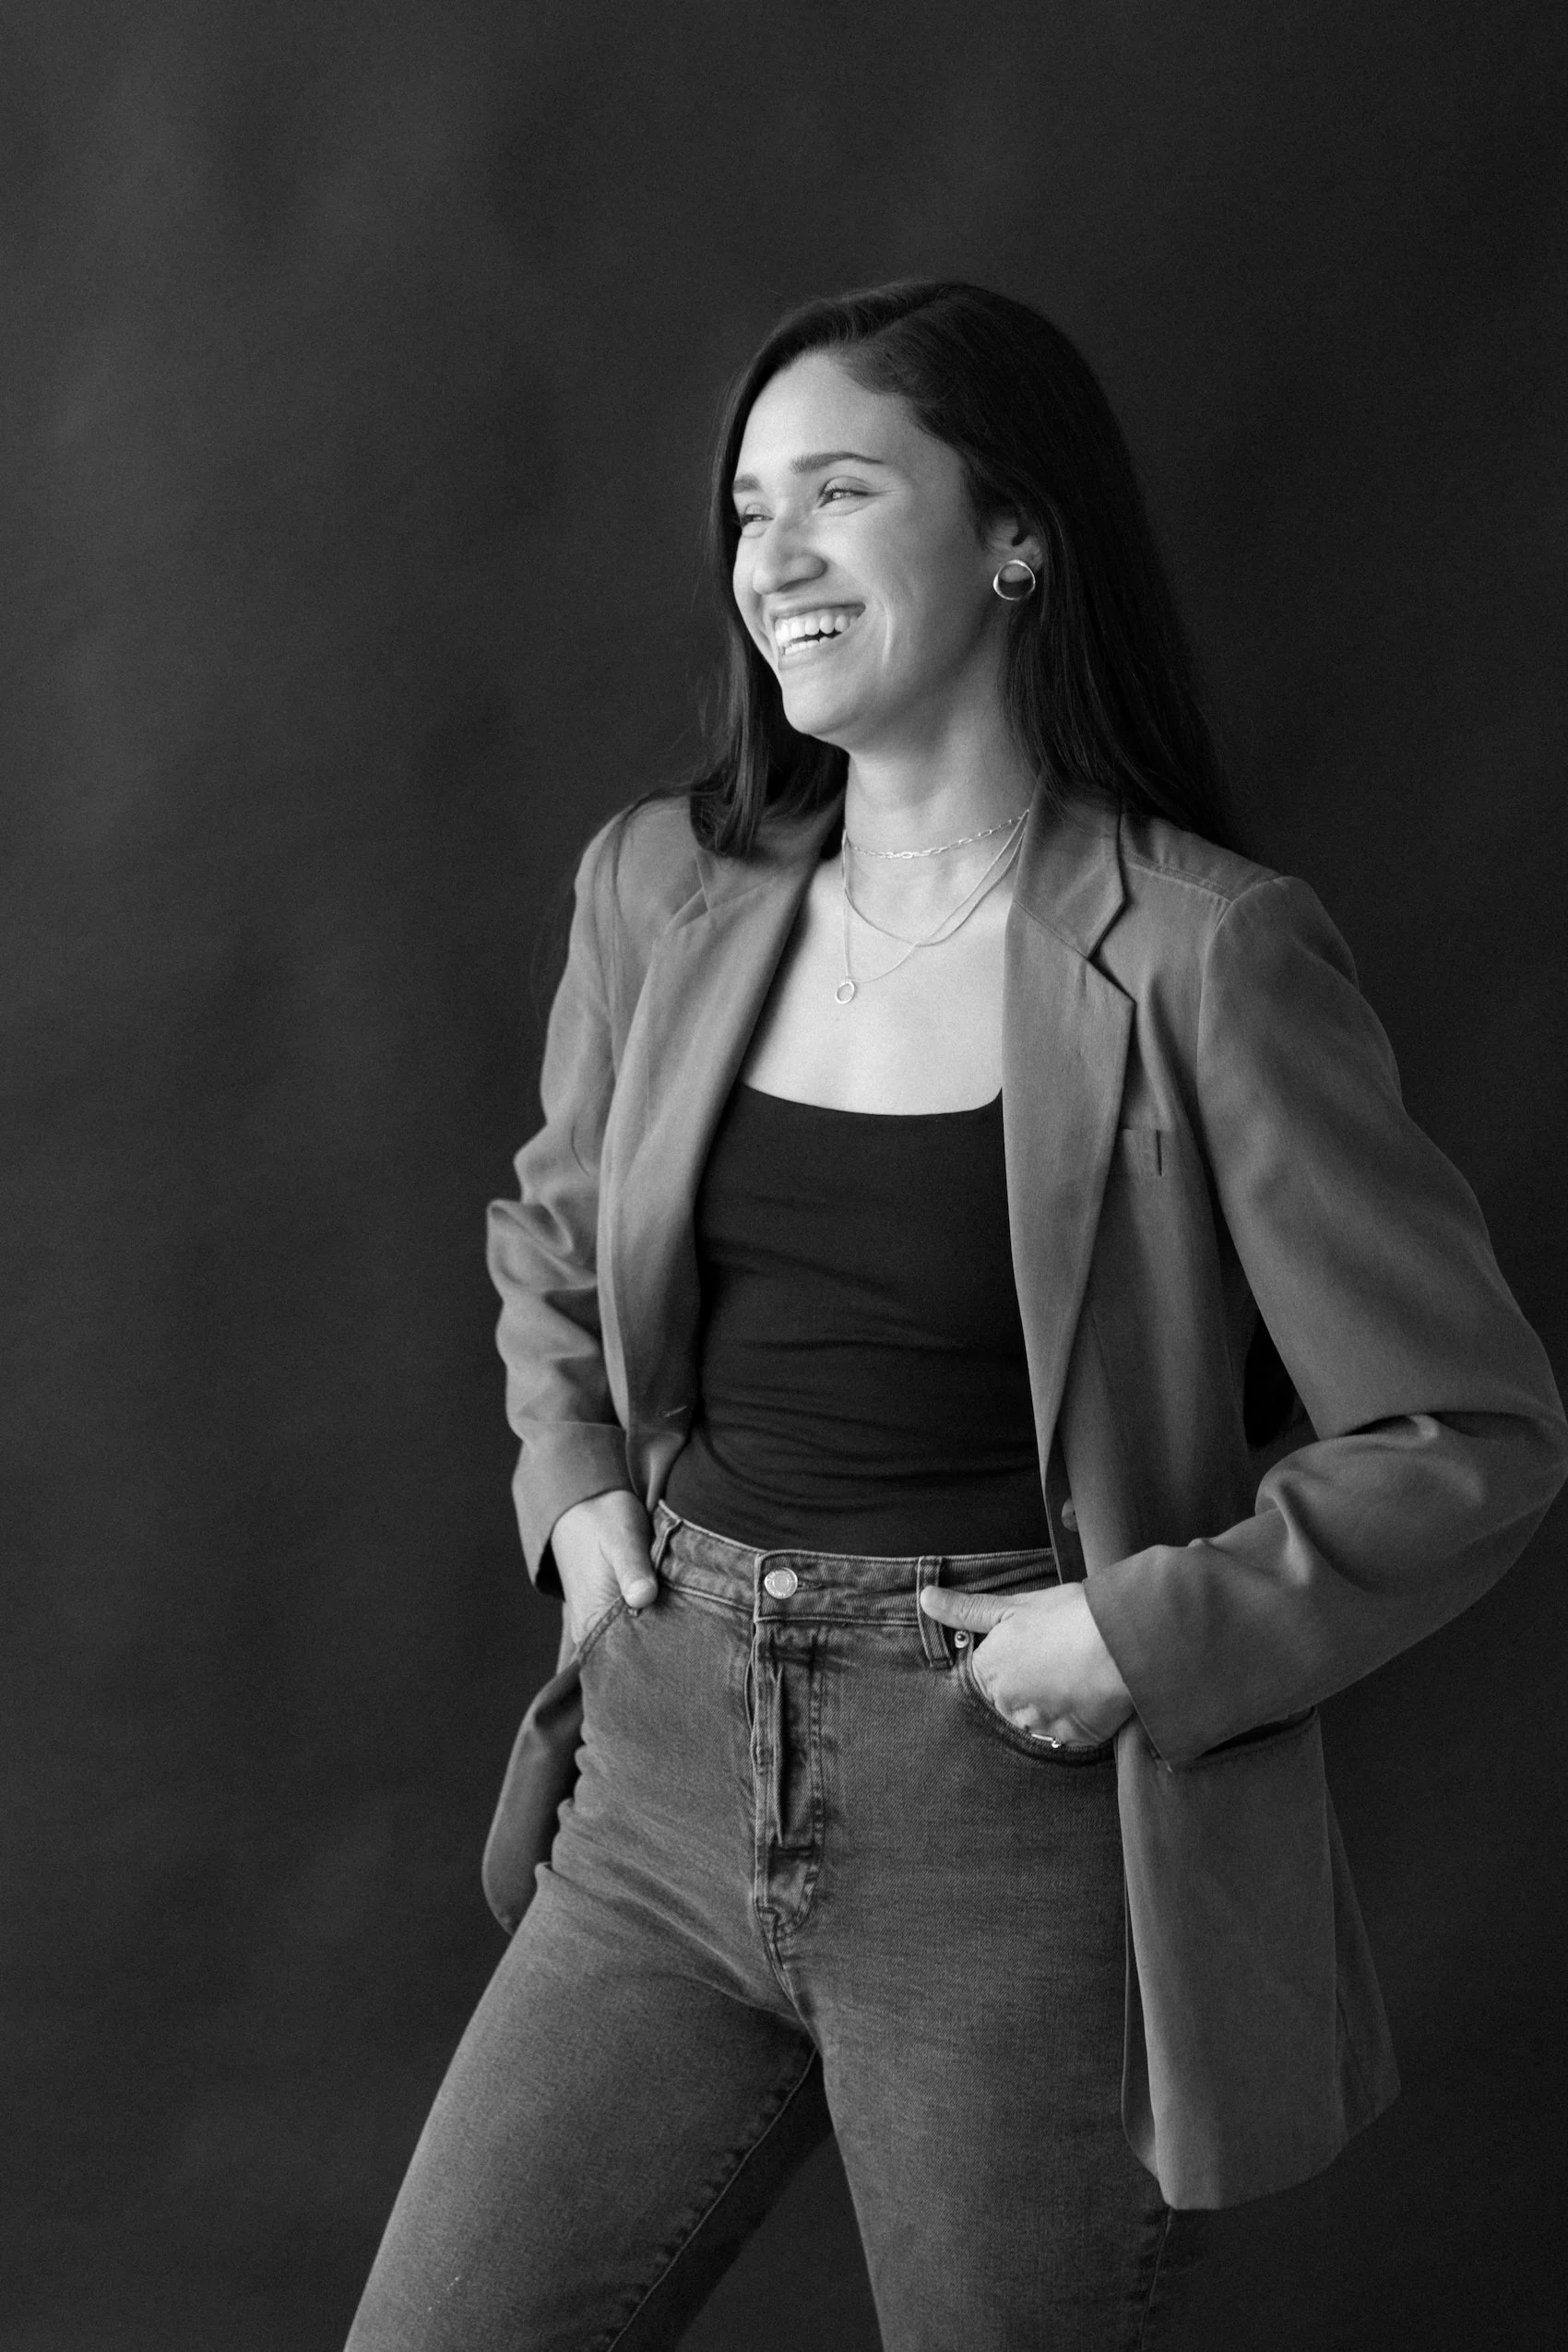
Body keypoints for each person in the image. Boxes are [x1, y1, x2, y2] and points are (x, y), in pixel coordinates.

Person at [346, 282, 1567, 2351]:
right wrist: (572, 1496)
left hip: (1007, 1824)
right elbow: (548, 1242)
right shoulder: (660, 889)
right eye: (749, 510)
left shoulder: (1204, 959)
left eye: (840, 492)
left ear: (1014, 539)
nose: (774, 561)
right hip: (649, 1777)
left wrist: (1141, 1634)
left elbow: (1465, 1435)